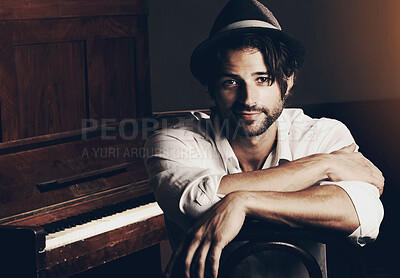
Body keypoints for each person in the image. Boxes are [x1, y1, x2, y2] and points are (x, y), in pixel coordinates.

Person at [144, 0, 384, 277]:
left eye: (263, 79)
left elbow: (361, 213)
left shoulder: (323, 134)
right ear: (211, 87)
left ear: (288, 80)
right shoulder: (174, 141)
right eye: (231, 82)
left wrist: (244, 201)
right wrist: (321, 165)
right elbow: (197, 202)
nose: (248, 99)